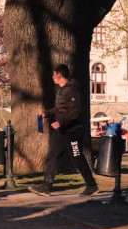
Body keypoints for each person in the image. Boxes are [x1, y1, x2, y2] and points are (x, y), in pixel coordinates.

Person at [29, 64, 98, 197]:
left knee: (77, 156)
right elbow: (60, 109)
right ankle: (46, 186)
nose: (53, 77)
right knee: (52, 155)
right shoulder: (62, 90)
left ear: (59, 74)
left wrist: (61, 123)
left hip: (72, 131)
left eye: (54, 74)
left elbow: (75, 111)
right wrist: (47, 113)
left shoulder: (71, 90)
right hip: (61, 131)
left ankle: (91, 185)